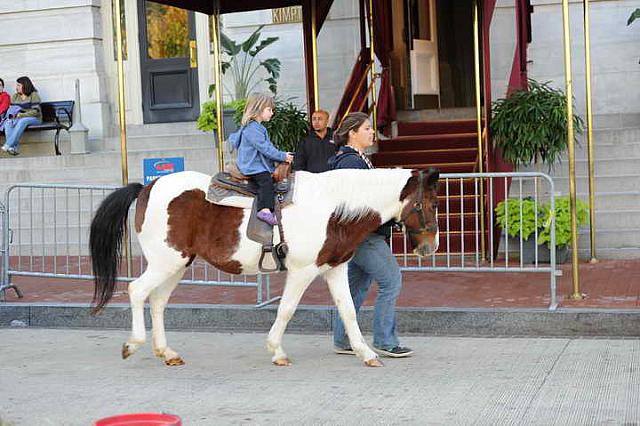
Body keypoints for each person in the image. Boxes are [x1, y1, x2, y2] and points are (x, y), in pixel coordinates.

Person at [329, 111, 413, 358]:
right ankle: (385, 340)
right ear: (352, 133)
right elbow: (358, 201)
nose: (371, 132)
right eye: (366, 128)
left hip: (357, 235)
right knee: (391, 281)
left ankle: (343, 338)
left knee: (356, 287)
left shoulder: (355, 159)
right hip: (364, 235)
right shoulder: (350, 162)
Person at [229, 93, 294, 226]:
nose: (272, 113)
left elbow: (268, 147)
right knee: (266, 181)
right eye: (269, 110)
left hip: (255, 163)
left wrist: (282, 154)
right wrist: (282, 156)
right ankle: (264, 210)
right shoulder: (252, 129)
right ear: (258, 109)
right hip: (252, 165)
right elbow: (265, 148)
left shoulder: (258, 127)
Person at [2, 76, 42, 156]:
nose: (16, 87)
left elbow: (36, 111)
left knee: (23, 120)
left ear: (25, 85)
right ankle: (12, 148)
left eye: (18, 85)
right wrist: (11, 116)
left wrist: (22, 115)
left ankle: (8, 144)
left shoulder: (33, 95)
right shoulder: (15, 96)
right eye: (16, 85)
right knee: (8, 122)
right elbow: (12, 110)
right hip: (18, 118)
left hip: (35, 119)